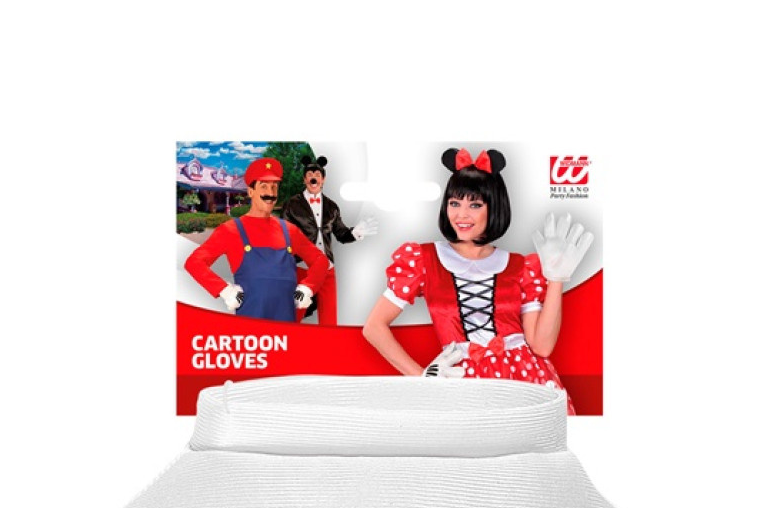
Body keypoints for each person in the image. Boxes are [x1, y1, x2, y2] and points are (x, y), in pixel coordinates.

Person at [361, 148, 593, 412]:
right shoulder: (423, 260)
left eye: (475, 205)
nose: (461, 215)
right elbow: (374, 327)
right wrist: (422, 377)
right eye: (454, 203)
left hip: (525, 379)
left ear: (494, 207)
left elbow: (541, 346)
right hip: (462, 383)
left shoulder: (521, 267)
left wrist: (556, 278)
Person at [184, 157, 329, 322]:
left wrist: (308, 287)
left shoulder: (290, 231)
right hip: (251, 326)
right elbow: (194, 263)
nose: (271, 193)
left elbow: (320, 260)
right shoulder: (230, 230)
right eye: (264, 186)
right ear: (250, 191)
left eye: (275, 187)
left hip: (287, 324)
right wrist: (224, 290)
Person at [281, 154, 378, 324]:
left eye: (317, 175)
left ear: (323, 180)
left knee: (329, 317)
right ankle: (288, 338)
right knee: (294, 313)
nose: (313, 178)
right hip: (303, 267)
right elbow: (284, 235)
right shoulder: (292, 205)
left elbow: (341, 234)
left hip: (327, 267)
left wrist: (355, 232)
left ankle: (329, 341)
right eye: (310, 175)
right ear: (304, 179)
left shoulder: (332, 207)